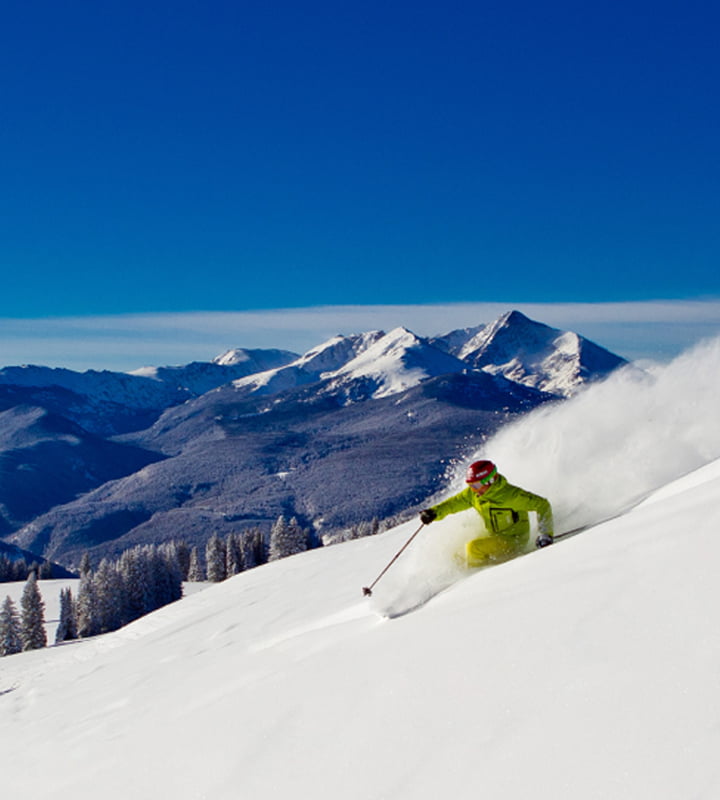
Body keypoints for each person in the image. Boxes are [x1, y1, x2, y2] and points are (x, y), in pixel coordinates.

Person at [420, 459, 554, 568]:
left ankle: (477, 577)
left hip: (514, 541)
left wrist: (545, 534)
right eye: (470, 485)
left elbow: (542, 505)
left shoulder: (510, 496)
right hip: (495, 537)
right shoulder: (474, 495)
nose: (473, 489)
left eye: (476, 485)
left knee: (474, 548)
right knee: (458, 554)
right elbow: (453, 504)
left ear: (490, 481)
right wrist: (434, 513)